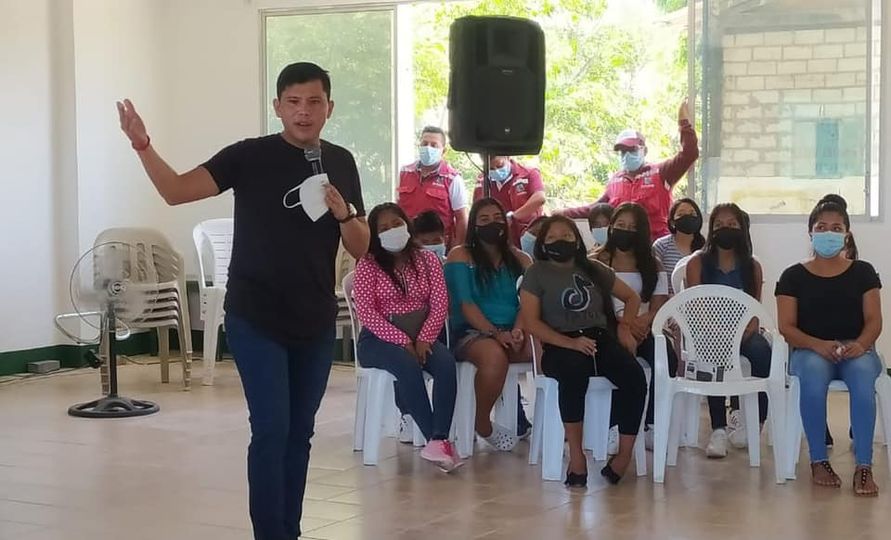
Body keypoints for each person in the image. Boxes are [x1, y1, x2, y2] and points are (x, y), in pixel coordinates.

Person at [117, 62, 369, 540]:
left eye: (314, 102)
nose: (304, 112)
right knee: (272, 428)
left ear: (329, 108)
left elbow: (361, 246)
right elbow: (175, 191)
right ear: (277, 107)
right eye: (293, 102)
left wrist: (344, 213)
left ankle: (289, 530)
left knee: (299, 433)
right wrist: (143, 145)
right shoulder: (249, 156)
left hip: (314, 319)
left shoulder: (340, 161)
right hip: (256, 315)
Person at [520, 216, 646, 486]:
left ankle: (624, 455)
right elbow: (531, 323)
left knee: (634, 376)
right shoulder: (536, 273)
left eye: (566, 236)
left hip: (599, 339)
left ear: (577, 240)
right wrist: (571, 343)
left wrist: (625, 327)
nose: (560, 241)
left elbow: (632, 297)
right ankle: (577, 456)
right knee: (573, 373)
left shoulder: (594, 268)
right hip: (559, 343)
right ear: (542, 244)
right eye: (552, 237)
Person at [776, 195, 882, 496]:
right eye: (821, 227)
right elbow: (787, 327)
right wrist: (817, 345)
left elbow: (874, 320)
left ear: (847, 234)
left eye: (836, 228)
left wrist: (861, 344)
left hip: (855, 350)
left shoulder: (863, 272)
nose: (828, 233)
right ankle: (819, 460)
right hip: (809, 350)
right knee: (812, 374)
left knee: (863, 376)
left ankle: (864, 466)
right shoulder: (792, 276)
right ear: (810, 232)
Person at [352, 203, 461, 472]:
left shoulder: (428, 260)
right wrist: (402, 340)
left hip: (422, 334)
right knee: (406, 364)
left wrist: (424, 338)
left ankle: (439, 438)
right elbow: (367, 313)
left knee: (446, 364)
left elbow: (439, 304)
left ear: (407, 225)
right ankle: (436, 441)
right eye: (384, 228)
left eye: (396, 224)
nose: (392, 230)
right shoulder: (368, 265)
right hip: (378, 339)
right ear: (375, 235)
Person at [445, 198, 534, 451]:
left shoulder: (522, 259)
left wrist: (517, 330)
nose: (492, 224)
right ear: (474, 225)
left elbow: (527, 304)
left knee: (547, 352)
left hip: (513, 329)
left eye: (497, 218)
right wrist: (495, 333)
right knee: (494, 357)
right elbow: (466, 304)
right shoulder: (460, 255)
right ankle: (481, 422)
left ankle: (556, 424)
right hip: (471, 331)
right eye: (484, 219)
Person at [685, 203, 772, 459]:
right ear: (711, 230)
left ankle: (755, 423)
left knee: (763, 353)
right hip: (709, 333)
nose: (726, 229)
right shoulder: (697, 263)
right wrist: (720, 333)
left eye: (732, 224)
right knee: (714, 352)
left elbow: (755, 312)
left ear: (742, 229)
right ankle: (719, 429)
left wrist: (742, 332)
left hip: (744, 333)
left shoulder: (752, 266)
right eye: (719, 224)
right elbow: (696, 308)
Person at [557, 99, 699, 241]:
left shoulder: (661, 172)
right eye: (623, 151)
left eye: (632, 149)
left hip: (656, 245)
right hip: (625, 246)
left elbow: (689, 154)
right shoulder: (615, 181)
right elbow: (595, 209)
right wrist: (563, 213)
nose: (627, 155)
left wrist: (683, 123)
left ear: (644, 150)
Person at [595, 203, 677, 442]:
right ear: (611, 227)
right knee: (621, 363)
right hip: (609, 330)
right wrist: (624, 324)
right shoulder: (597, 260)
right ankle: (614, 425)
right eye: (621, 225)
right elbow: (594, 305)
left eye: (632, 227)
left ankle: (652, 422)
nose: (626, 231)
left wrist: (642, 322)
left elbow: (658, 305)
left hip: (643, 329)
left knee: (666, 357)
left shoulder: (653, 264)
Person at [397, 126, 468, 248]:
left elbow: (462, 218)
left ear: (444, 151)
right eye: (424, 144)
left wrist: (456, 249)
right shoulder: (404, 173)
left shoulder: (452, 178)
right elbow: (398, 209)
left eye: (434, 145)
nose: (428, 148)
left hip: (438, 246)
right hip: (409, 244)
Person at [474, 156, 546, 246]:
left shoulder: (529, 173)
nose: (496, 171)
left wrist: (513, 216)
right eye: (491, 169)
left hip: (530, 236)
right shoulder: (482, 181)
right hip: (501, 239)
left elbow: (540, 198)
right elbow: (477, 209)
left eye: (500, 166)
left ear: (507, 157)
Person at [653, 197, 706, 293]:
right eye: (681, 214)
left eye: (692, 214)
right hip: (668, 300)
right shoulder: (661, 246)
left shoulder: (705, 248)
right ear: (672, 222)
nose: (687, 217)